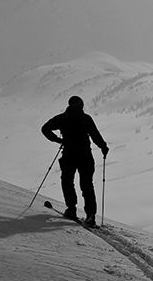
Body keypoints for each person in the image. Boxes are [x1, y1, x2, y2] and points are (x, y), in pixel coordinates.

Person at [41, 96, 109, 227]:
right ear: (81, 105)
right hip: (85, 155)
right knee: (87, 185)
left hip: (69, 154)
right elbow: (95, 135)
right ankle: (90, 215)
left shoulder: (62, 118)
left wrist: (58, 140)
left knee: (67, 181)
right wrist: (103, 147)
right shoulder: (86, 119)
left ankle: (71, 208)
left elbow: (45, 129)